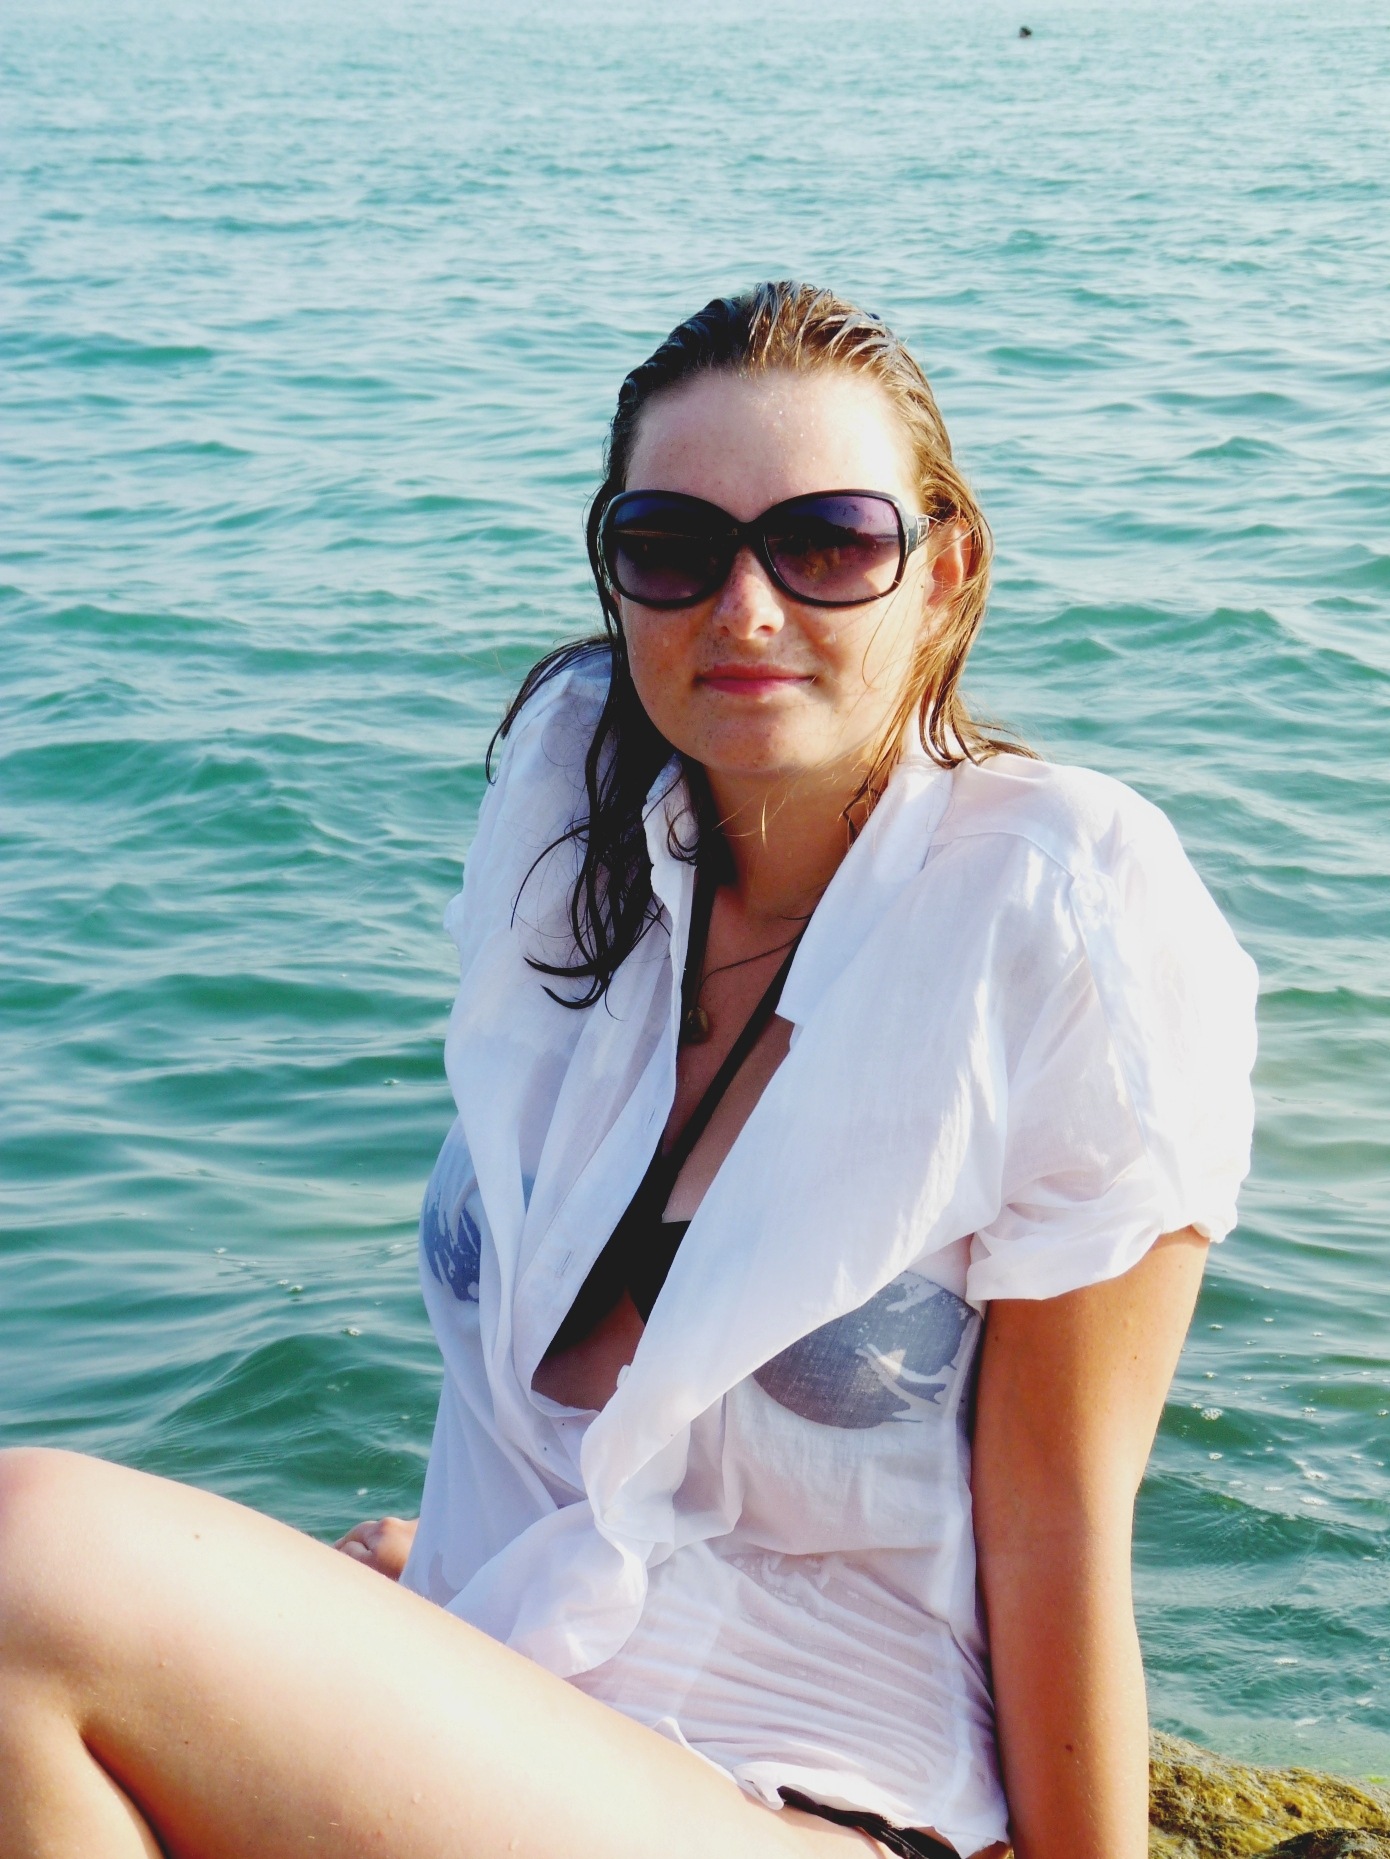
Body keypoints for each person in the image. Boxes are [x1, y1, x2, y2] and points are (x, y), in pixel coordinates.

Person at [0, 282, 1257, 1859]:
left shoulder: (1062, 905)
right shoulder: (566, 795)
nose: (743, 610)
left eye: (826, 543)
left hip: (812, 1792)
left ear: (942, 573)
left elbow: (1059, 1524)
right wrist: (450, 1593)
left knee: (29, 1562)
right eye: (672, 546)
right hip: (516, 1708)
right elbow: (550, 1415)